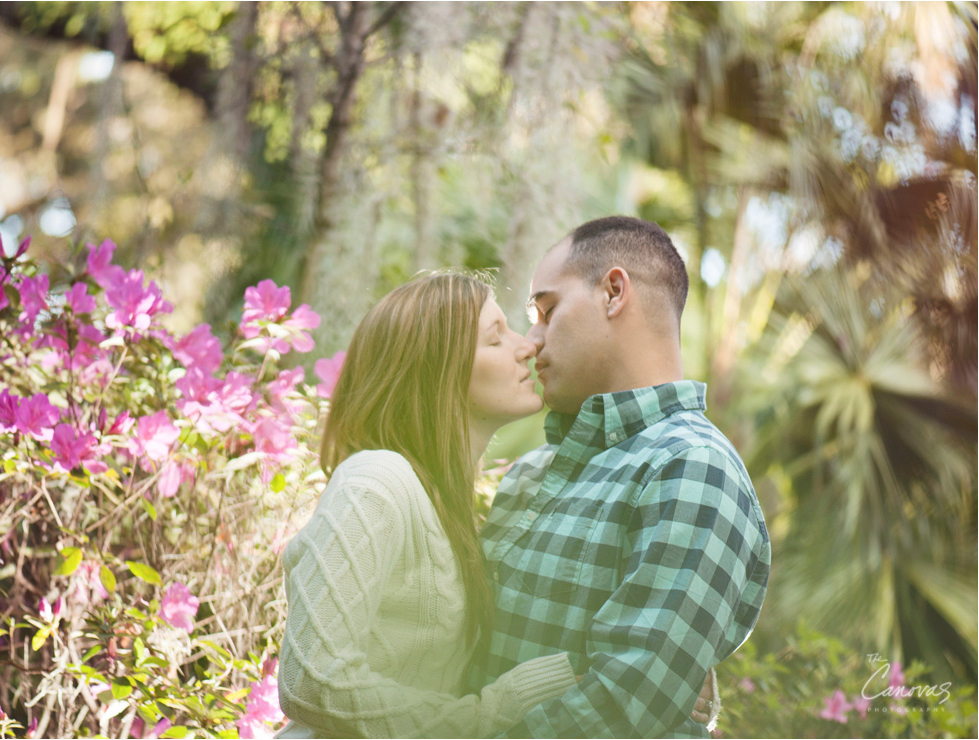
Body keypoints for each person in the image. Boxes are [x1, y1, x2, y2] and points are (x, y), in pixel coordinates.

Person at [470, 217, 771, 738]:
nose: (530, 341)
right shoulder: (527, 474)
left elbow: (619, 708)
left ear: (613, 292)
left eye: (546, 310)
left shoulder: (692, 468)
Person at [275, 273, 577, 738]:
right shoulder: (375, 483)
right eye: (495, 338)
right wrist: (486, 715)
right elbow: (311, 680)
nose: (527, 347)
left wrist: (666, 675)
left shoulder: (447, 511)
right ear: (436, 370)